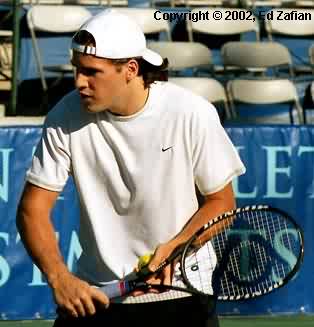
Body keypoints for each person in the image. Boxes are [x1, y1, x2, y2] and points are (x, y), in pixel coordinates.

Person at [16, 8, 246, 327]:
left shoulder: (191, 113)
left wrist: (178, 247)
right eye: (76, 70)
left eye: (92, 72)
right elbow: (32, 211)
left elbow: (222, 203)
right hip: (97, 296)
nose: (79, 82)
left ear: (130, 69)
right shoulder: (63, 116)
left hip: (182, 296)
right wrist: (59, 278)